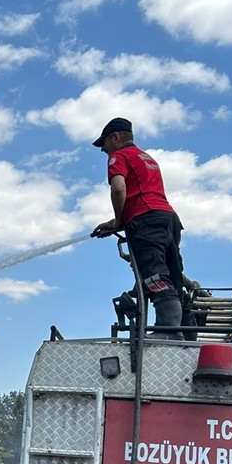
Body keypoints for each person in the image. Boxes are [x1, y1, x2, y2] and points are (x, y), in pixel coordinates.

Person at [89, 117, 188, 339]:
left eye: (104, 143)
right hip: (169, 219)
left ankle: (169, 331)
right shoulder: (147, 158)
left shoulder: (119, 156)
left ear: (116, 137)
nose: (103, 149)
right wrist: (118, 221)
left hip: (146, 221)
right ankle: (175, 329)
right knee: (173, 275)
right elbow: (142, 194)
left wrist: (117, 220)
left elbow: (118, 188)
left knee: (154, 275)